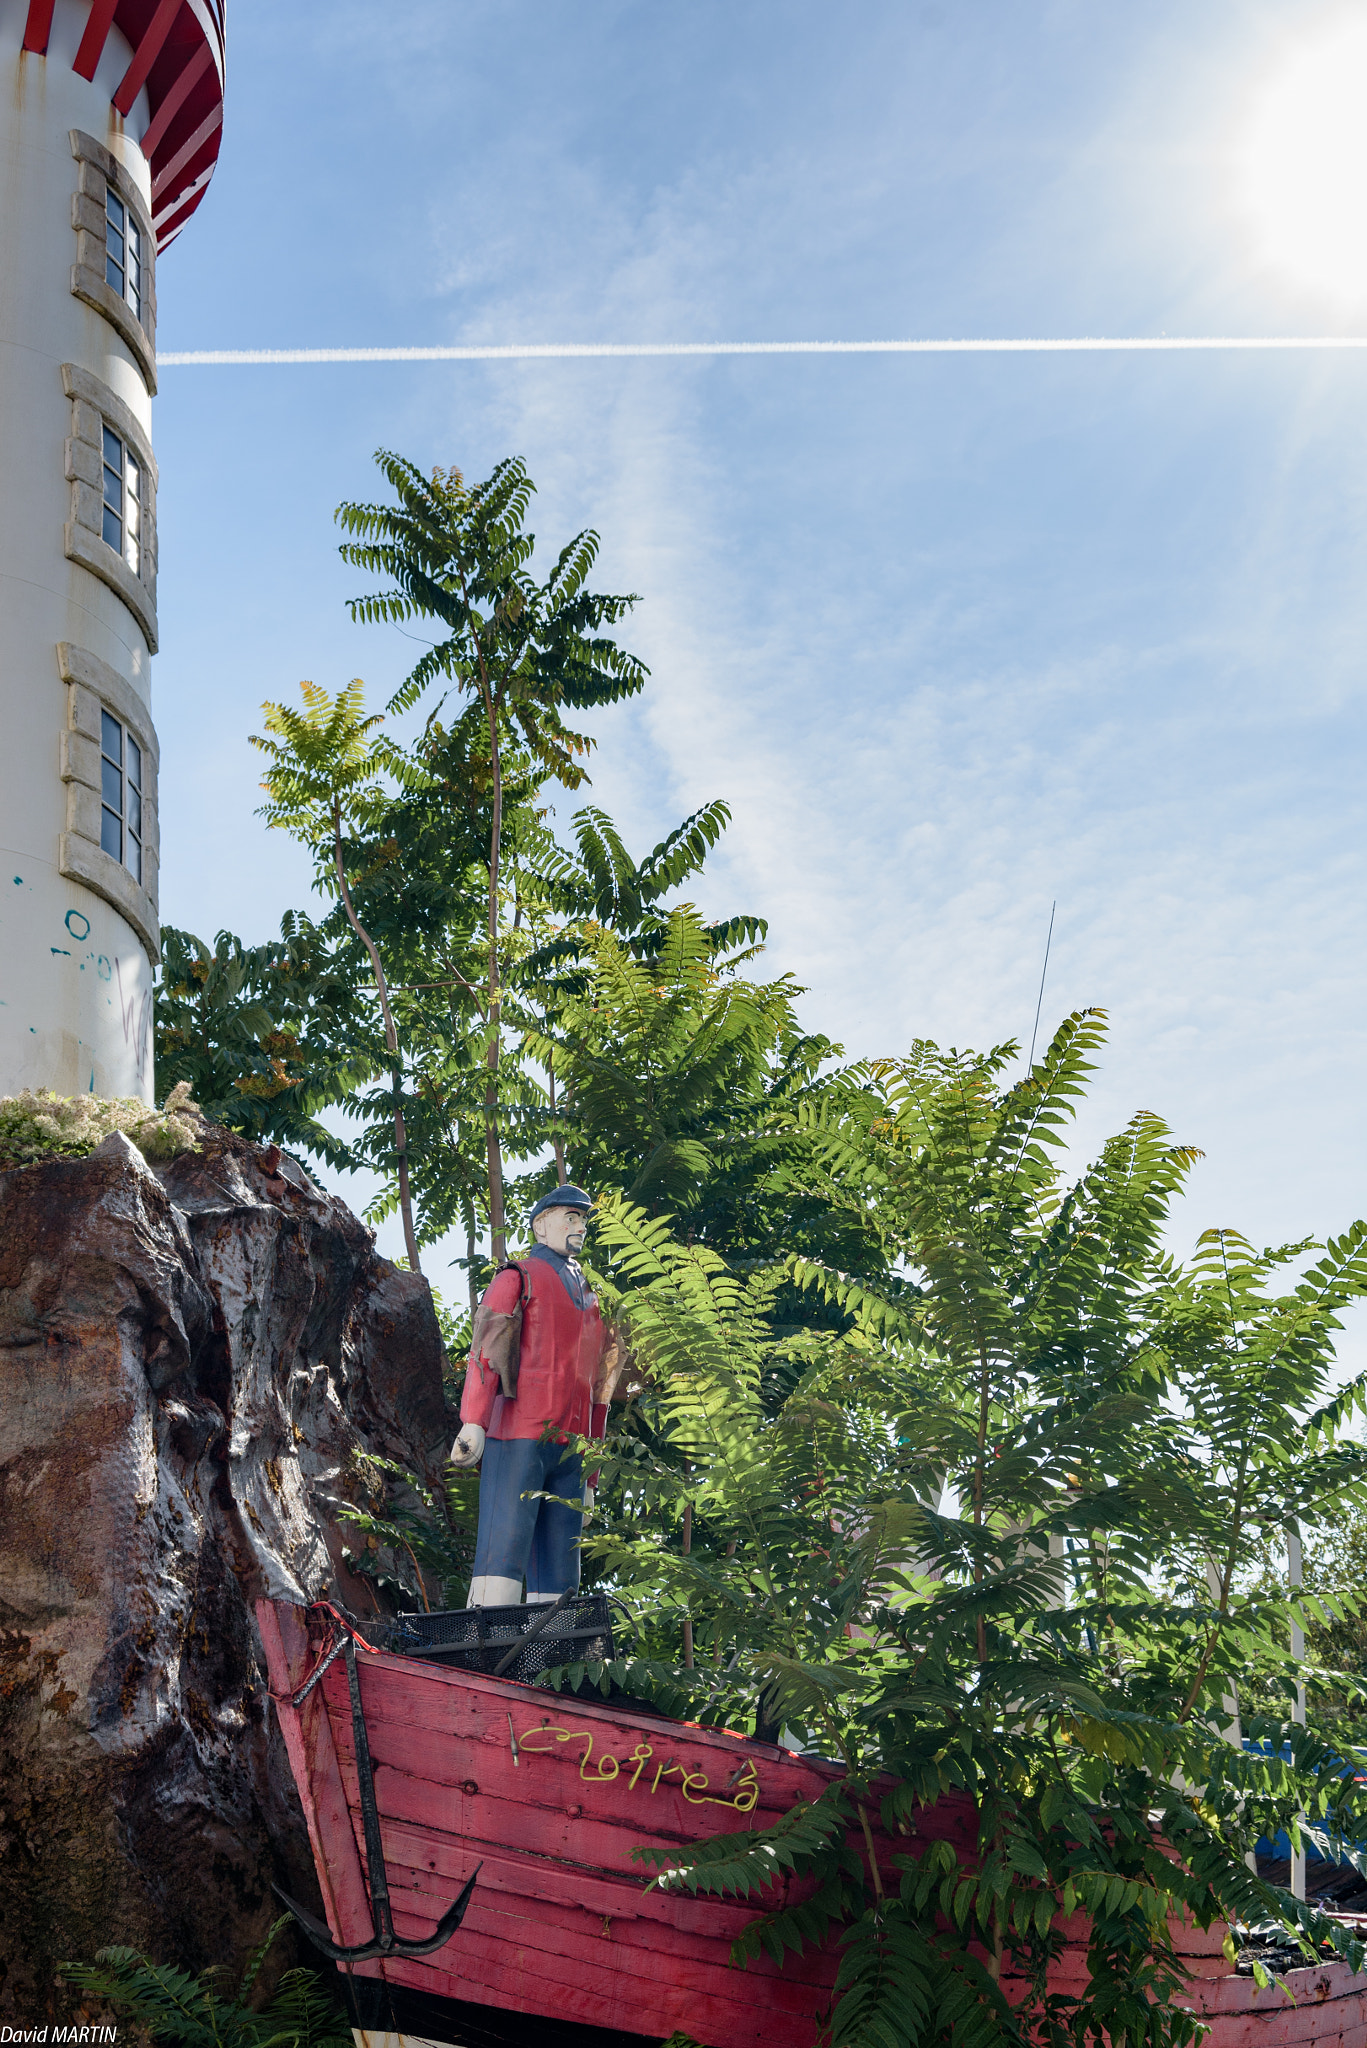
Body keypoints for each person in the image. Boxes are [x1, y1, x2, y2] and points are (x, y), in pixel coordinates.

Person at [451, 1185, 624, 1607]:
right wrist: (474, 1419)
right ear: (541, 1223)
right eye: (570, 1216)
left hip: (573, 1449)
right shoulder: (518, 1277)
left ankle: (555, 1659)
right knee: (503, 1551)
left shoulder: (594, 1301)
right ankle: (487, 1647)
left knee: (562, 1568)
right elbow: (486, 1351)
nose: (579, 1226)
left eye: (583, 1219)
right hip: (519, 1436)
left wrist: (593, 1472)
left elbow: (601, 1388)